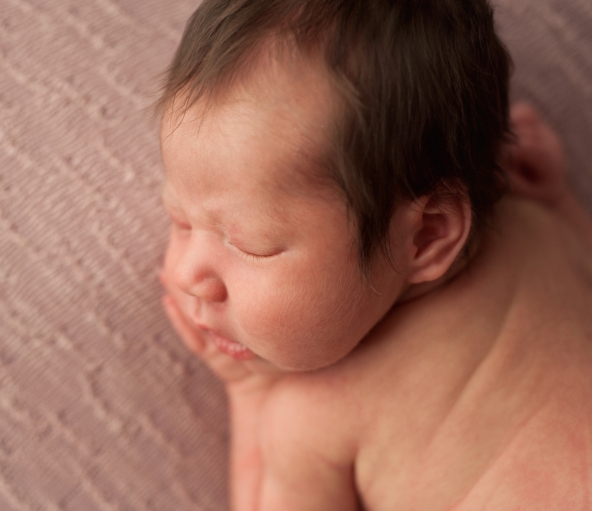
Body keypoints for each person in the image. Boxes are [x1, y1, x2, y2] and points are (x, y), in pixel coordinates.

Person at [157, 0, 592, 509]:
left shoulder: (310, 414)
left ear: (427, 236)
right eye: (180, 220)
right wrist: (557, 197)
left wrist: (248, 396)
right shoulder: (537, 228)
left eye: (250, 244)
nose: (187, 274)